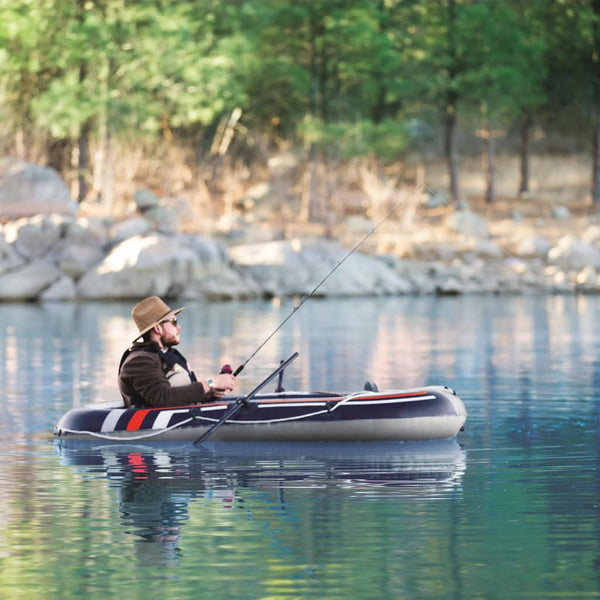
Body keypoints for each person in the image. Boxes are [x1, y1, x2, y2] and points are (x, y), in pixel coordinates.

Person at [118, 296, 235, 408]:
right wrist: (212, 382)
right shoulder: (139, 361)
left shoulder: (168, 354)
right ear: (158, 328)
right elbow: (163, 398)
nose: (179, 327)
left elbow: (181, 395)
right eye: (174, 322)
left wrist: (209, 393)